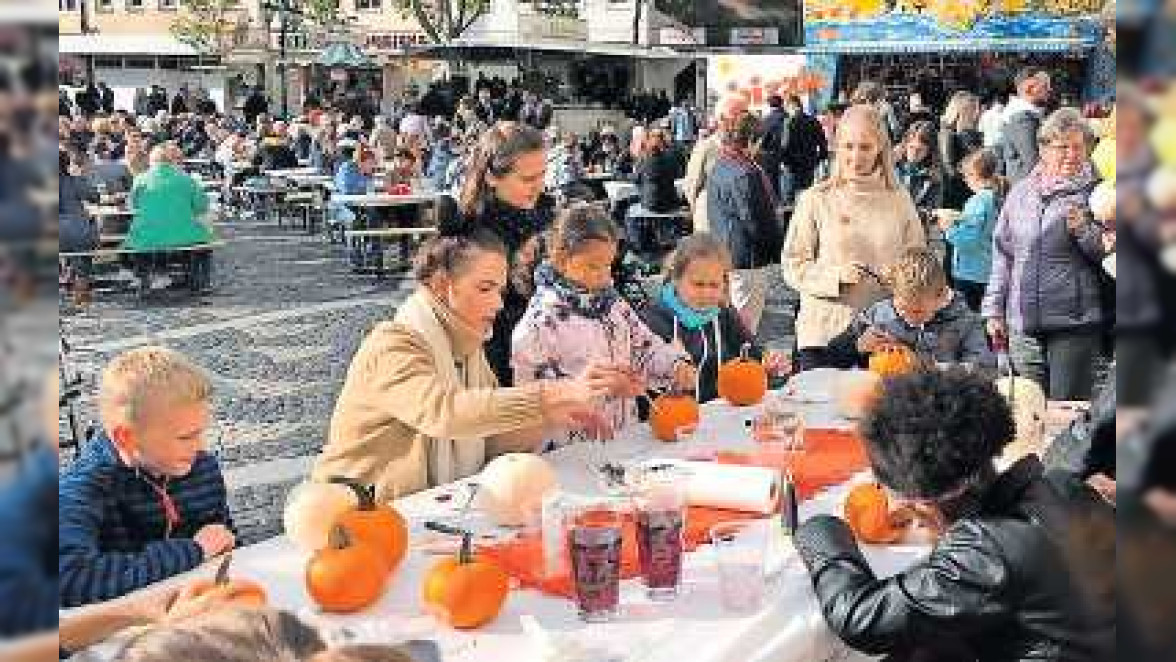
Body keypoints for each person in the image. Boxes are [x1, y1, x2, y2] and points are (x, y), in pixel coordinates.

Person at [795, 370, 1114, 662]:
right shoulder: (1062, 486)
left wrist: (821, 529)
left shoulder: (986, 550)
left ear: (922, 498)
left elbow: (859, 619)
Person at [316, 229, 609, 499]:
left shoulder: (467, 349)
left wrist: (550, 418)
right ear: (443, 285)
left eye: (500, 291)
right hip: (354, 517)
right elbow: (442, 412)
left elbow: (490, 442)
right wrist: (549, 396)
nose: (498, 304)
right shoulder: (392, 344)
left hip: (424, 515)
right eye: (485, 289)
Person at [59, 347, 236, 608]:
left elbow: (224, 547)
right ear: (126, 437)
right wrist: (193, 551)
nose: (200, 447)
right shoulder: (84, 488)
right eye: (185, 437)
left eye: (201, 432)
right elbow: (67, 579)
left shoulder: (201, 468)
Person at [511, 204, 695, 449]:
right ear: (561, 259)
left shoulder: (615, 305)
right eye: (593, 266)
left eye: (608, 265)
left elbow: (645, 347)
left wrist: (674, 365)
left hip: (622, 436)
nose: (604, 276)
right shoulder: (541, 320)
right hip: (570, 448)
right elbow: (532, 393)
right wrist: (602, 390)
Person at [782, 104, 926, 371]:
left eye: (865, 147)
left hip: (884, 337)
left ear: (880, 148)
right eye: (848, 146)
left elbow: (919, 262)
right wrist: (835, 278)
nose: (855, 156)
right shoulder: (816, 198)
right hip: (823, 335)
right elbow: (792, 265)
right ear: (837, 146)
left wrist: (898, 275)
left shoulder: (899, 199)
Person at [982, 108, 1107, 400]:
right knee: (1025, 411)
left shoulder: (1099, 195)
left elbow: (1112, 256)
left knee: (1068, 415)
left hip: (1074, 324)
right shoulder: (1021, 193)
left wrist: (1085, 232)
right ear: (1043, 149)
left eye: (1079, 147)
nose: (1071, 154)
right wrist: (993, 310)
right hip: (1021, 322)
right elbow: (1003, 254)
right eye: (1062, 147)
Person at [436, 122, 554, 387]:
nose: (538, 186)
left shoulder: (551, 215)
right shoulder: (472, 233)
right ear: (491, 177)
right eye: (527, 179)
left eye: (543, 175)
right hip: (501, 361)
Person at [641, 233, 790, 402]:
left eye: (714, 285)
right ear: (676, 279)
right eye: (698, 284)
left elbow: (750, 354)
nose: (706, 293)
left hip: (721, 413)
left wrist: (769, 364)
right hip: (675, 417)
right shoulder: (653, 320)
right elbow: (645, 376)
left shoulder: (723, 314)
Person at [823, 248, 992, 370]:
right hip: (885, 404)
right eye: (902, 309)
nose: (909, 318)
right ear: (893, 293)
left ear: (940, 296)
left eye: (918, 312)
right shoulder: (878, 315)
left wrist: (926, 366)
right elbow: (830, 357)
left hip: (941, 407)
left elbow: (985, 370)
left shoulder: (965, 321)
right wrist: (857, 347)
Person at [707, 111, 783, 335]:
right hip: (747, 256)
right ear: (750, 140)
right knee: (745, 322)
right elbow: (757, 222)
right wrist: (777, 249)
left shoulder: (721, 163)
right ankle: (740, 363)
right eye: (758, 141)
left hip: (726, 250)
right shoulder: (746, 173)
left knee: (731, 314)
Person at [125, 142, 215, 291]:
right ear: (172, 161)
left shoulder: (140, 179)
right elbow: (202, 207)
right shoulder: (187, 179)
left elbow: (133, 206)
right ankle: (202, 282)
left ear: (152, 161)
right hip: (185, 235)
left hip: (147, 235)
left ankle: (143, 277)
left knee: (135, 239)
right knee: (205, 242)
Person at [937, 148, 1004, 311]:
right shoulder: (997, 196)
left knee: (969, 323)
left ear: (974, 175)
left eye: (966, 177)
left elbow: (969, 239)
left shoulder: (978, 201)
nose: (965, 182)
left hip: (971, 273)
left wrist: (948, 228)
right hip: (987, 270)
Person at [683, 94, 750, 233]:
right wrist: (698, 209)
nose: (741, 123)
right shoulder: (706, 147)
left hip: (738, 223)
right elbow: (692, 183)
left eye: (744, 116)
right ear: (721, 119)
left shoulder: (748, 149)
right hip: (710, 219)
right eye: (737, 116)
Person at [895, 120, 945, 258]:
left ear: (929, 152)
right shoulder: (892, 166)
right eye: (911, 147)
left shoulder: (933, 177)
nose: (913, 153)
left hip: (914, 236)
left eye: (919, 150)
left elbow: (932, 210)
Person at [997, 68, 1052, 183]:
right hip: (1029, 188)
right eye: (1045, 85)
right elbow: (1033, 161)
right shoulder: (1023, 118)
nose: (1049, 90)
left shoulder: (1022, 114)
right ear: (1029, 88)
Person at [939, 90, 985, 209]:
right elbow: (951, 170)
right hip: (960, 196)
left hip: (962, 193)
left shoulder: (953, 133)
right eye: (975, 108)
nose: (979, 113)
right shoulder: (955, 135)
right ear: (965, 110)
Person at [781, 94, 829, 202]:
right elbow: (822, 143)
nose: (786, 110)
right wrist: (818, 159)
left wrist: (784, 162)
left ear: (792, 105)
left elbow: (785, 145)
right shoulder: (813, 121)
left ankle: (791, 218)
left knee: (789, 198)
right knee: (806, 196)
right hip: (809, 164)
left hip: (792, 165)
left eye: (787, 107)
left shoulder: (789, 122)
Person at [632, 126, 680, 214]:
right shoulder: (671, 157)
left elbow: (636, 179)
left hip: (651, 204)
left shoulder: (644, 159)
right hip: (670, 203)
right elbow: (678, 174)